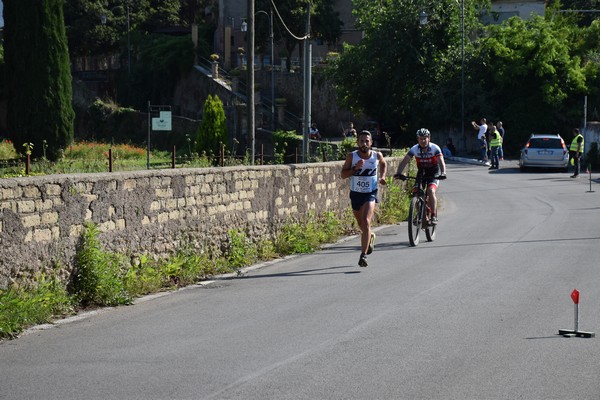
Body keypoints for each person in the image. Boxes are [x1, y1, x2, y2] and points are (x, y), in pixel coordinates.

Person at [341, 130, 387, 267]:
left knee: (366, 221)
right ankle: (371, 236)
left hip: (370, 193)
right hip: (355, 194)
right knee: (362, 225)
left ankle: (363, 255)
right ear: (357, 142)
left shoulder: (376, 155)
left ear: (371, 142)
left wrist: (383, 176)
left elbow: (383, 163)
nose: (364, 143)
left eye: (367, 141)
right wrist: (355, 168)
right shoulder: (352, 156)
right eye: (362, 141)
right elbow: (343, 175)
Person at [394, 128, 447, 225]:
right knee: (416, 192)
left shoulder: (435, 148)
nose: (423, 141)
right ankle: (421, 213)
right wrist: (398, 172)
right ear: (418, 139)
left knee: (430, 191)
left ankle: (433, 215)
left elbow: (441, 161)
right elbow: (405, 161)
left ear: (429, 138)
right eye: (420, 139)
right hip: (421, 172)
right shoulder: (414, 149)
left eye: (425, 138)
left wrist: (443, 173)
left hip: (434, 172)